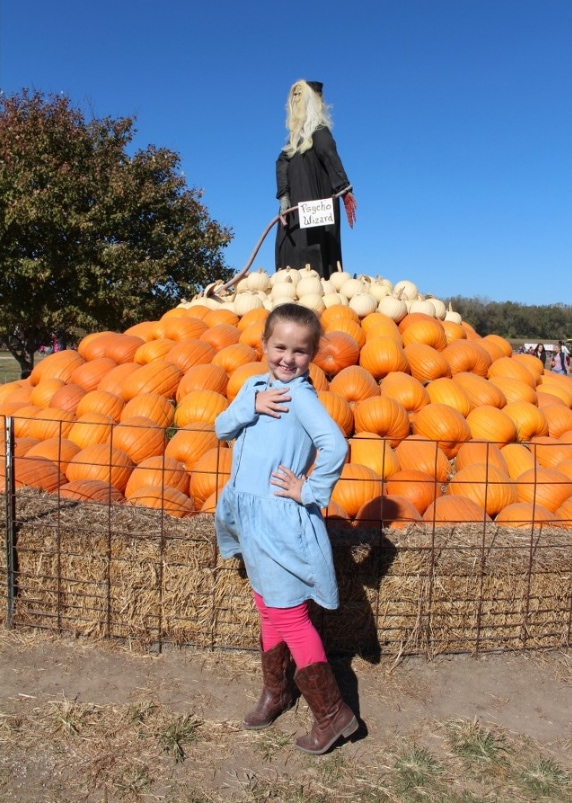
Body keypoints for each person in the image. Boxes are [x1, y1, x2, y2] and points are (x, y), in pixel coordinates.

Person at [214, 303, 358, 754]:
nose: (287, 359)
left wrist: (309, 490)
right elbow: (219, 427)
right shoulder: (253, 386)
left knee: (290, 616)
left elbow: (334, 445)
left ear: (312, 355)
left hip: (276, 521)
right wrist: (249, 406)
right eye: (280, 347)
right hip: (248, 516)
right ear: (264, 345)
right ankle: (277, 692)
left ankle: (334, 714)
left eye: (299, 351)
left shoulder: (302, 397)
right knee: (266, 605)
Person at [275, 80, 357, 279]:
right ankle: (290, 287)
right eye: (292, 96)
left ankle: (317, 287)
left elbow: (329, 154)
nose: (295, 100)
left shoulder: (319, 132)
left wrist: (344, 189)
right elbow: (281, 163)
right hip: (294, 204)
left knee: (312, 246)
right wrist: (283, 195)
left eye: (299, 96)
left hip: (316, 201)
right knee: (289, 243)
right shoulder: (293, 140)